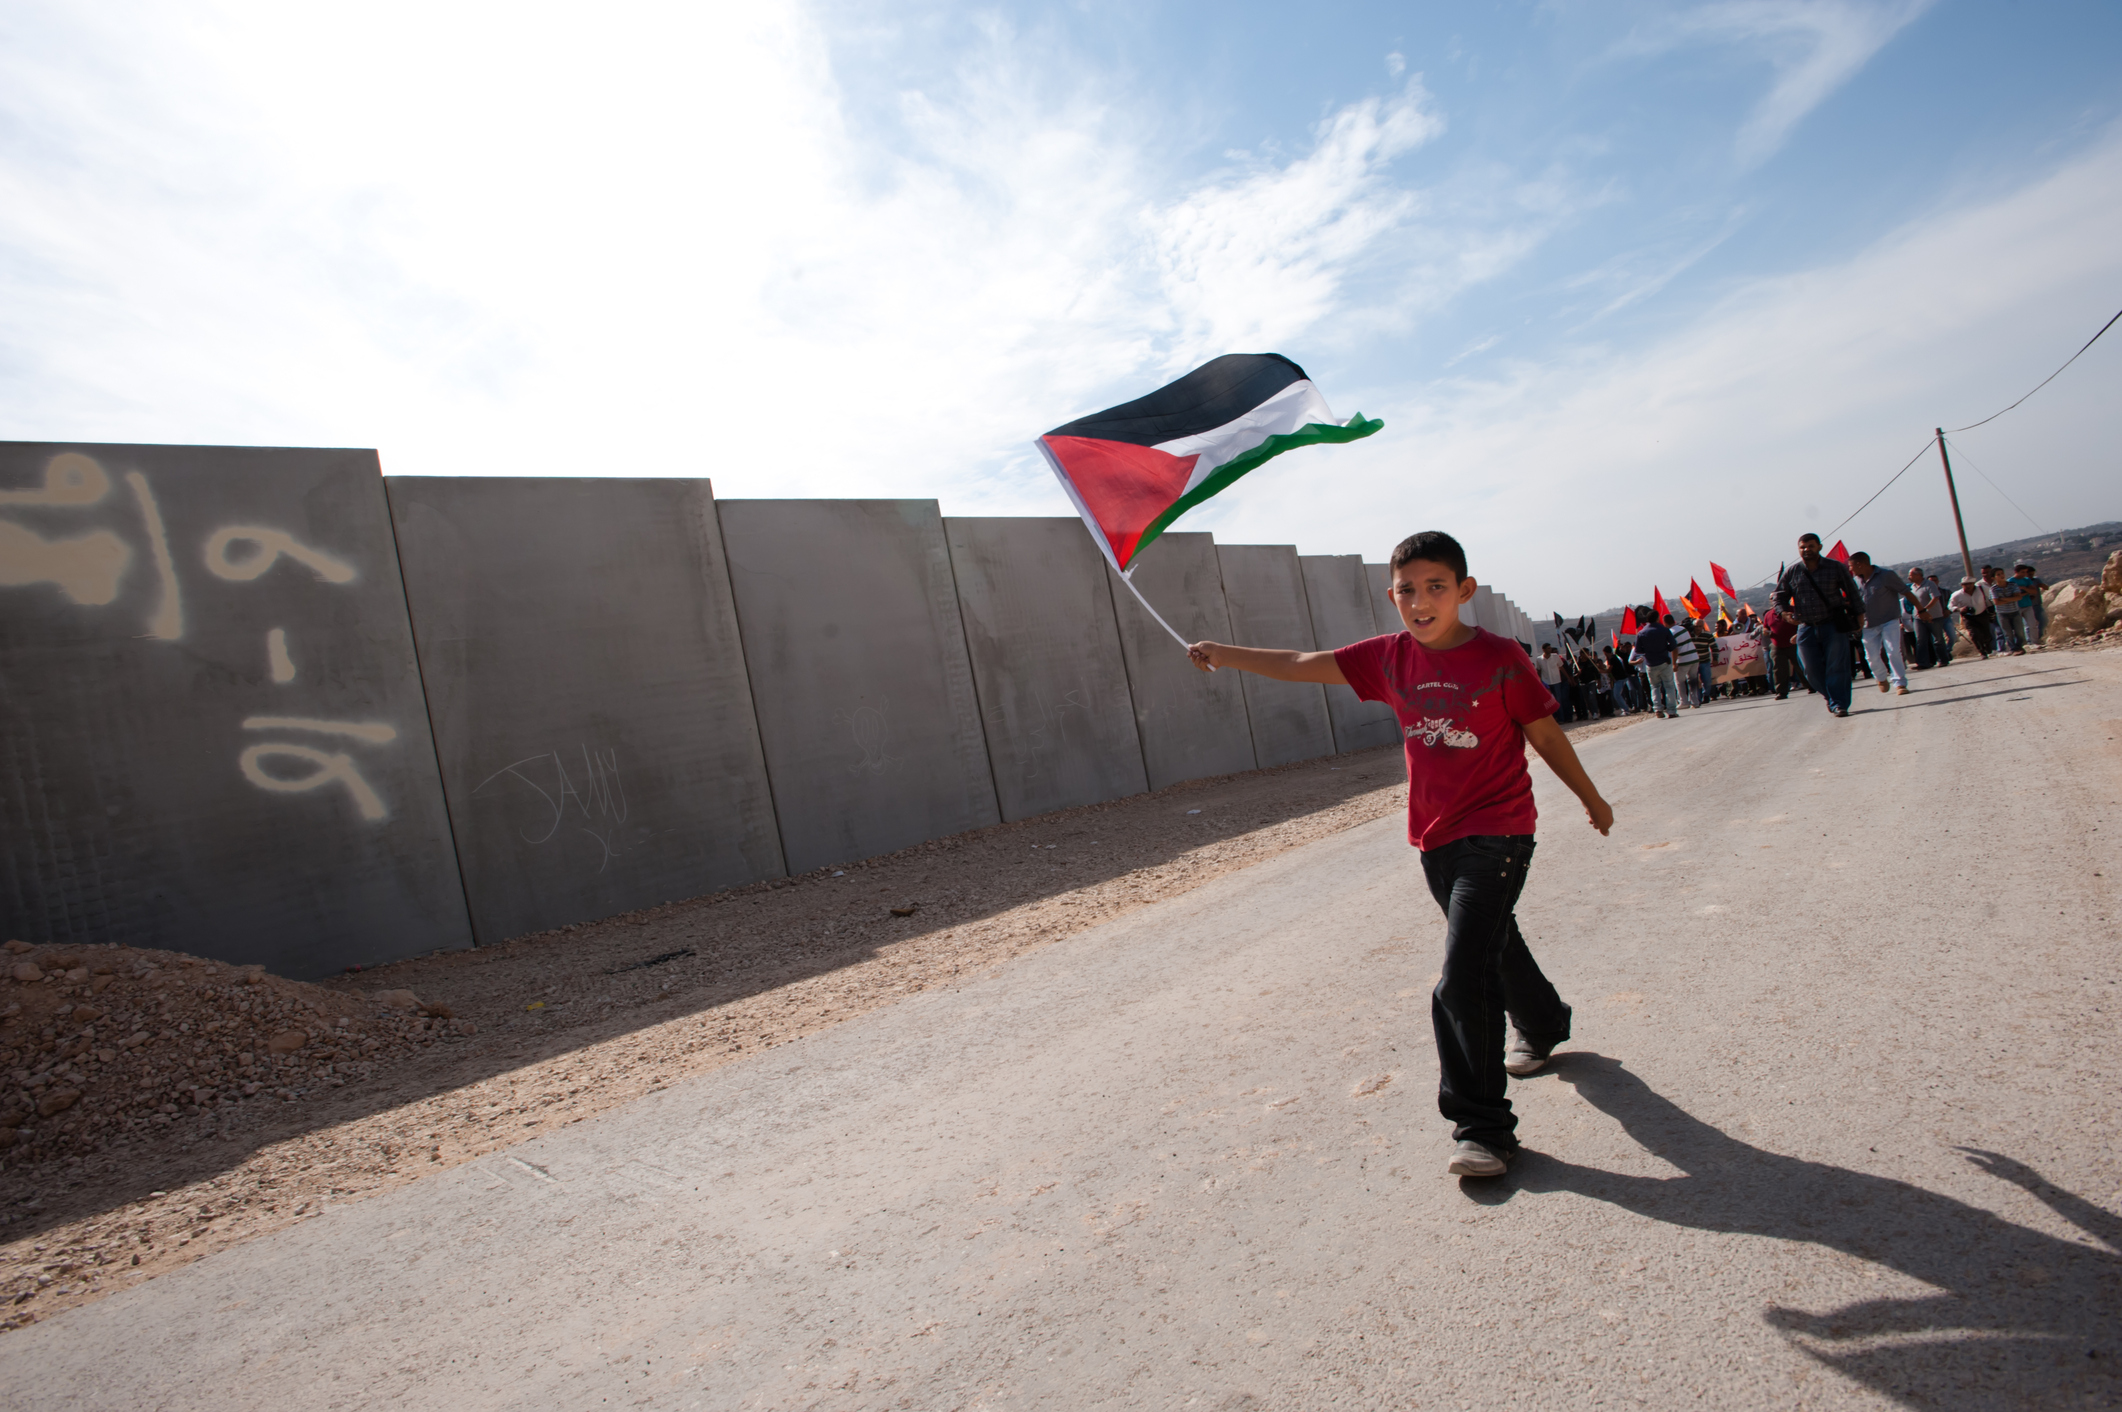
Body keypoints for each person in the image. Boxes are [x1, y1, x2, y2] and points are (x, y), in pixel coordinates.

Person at [1187, 530, 1613, 1179]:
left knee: (1463, 973)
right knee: (1494, 941)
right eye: (1407, 589)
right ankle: (1545, 1019)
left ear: (1464, 591)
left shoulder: (1499, 658)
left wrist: (1590, 797)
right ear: (1392, 595)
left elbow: (1545, 733)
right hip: (1435, 842)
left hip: (1500, 835)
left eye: (1435, 586)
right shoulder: (1389, 659)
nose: (1420, 600)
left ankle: (1483, 1128)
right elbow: (1304, 662)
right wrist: (1227, 653)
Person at [1774, 532, 1864, 717]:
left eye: (1811, 546)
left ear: (1819, 547)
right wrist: (1784, 613)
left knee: (1837, 666)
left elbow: (1852, 592)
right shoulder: (1792, 572)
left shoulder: (1835, 568)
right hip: (1806, 626)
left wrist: (1860, 616)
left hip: (1833, 625)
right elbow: (1779, 595)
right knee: (1810, 670)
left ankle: (1839, 703)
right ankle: (1830, 696)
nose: (1807, 550)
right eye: (1803, 547)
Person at [1848, 551, 1918, 696]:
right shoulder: (1855, 581)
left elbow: (1906, 592)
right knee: (1871, 657)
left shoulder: (1886, 575)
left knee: (1893, 651)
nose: (1851, 569)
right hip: (1868, 625)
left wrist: (1922, 610)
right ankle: (1880, 678)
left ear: (1860, 564)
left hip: (1889, 620)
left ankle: (1900, 683)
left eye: (1851, 566)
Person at [1633, 610, 1682, 718]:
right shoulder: (1664, 630)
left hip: (1650, 664)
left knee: (1654, 687)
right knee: (1669, 686)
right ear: (1657, 618)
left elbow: (1638, 650)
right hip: (1664, 661)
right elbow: (1673, 645)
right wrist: (1665, 648)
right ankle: (1671, 711)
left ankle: (1658, 709)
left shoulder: (1641, 633)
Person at [1906, 567, 1951, 670]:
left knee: (1938, 639)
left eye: (1911, 575)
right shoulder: (1912, 587)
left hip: (1934, 616)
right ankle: (1923, 662)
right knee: (1920, 640)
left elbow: (1935, 597)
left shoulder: (1930, 584)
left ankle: (1943, 659)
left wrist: (1925, 610)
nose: (1909, 577)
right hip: (1918, 617)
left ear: (1918, 575)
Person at [1762, 603, 1803, 699]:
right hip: (1777, 645)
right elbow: (1765, 628)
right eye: (1772, 599)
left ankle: (1810, 686)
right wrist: (1766, 632)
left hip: (1793, 643)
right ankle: (1781, 692)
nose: (1774, 601)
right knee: (1779, 669)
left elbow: (1802, 623)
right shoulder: (1768, 614)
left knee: (1800, 666)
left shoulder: (1793, 609)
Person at [1948, 574, 1994, 658]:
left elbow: (1991, 597)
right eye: (1965, 584)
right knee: (1974, 634)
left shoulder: (1982, 589)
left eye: (1970, 583)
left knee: (1986, 634)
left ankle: (1988, 647)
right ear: (1962, 585)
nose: (1968, 586)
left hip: (1982, 614)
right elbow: (1950, 605)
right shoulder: (1957, 594)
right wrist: (1959, 609)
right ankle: (1982, 652)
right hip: (1969, 617)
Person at [1983, 567, 2026, 655]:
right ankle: (2014, 649)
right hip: (2002, 613)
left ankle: (2019, 647)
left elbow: (2018, 597)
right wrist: (2011, 598)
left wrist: (2004, 599)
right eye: (1998, 575)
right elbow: (1996, 602)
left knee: (2019, 632)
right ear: (1993, 577)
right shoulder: (1993, 589)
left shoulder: (2012, 585)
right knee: (2008, 633)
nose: (2001, 576)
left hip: (2015, 611)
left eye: (2002, 573)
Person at [1667, 613, 1701, 707]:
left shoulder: (1671, 633)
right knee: (1693, 681)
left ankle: (1684, 701)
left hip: (1683, 659)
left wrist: (1674, 663)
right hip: (1694, 657)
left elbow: (1675, 649)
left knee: (1679, 681)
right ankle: (1695, 701)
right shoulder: (1683, 629)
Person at [2008, 562, 2046, 643]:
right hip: (2016, 606)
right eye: (2023, 572)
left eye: (2025, 572)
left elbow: (2034, 591)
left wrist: (2023, 588)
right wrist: (2026, 592)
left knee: (2033, 624)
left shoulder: (2027, 580)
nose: (2025, 574)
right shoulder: (2010, 581)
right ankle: (2021, 643)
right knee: (2018, 627)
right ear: (2016, 572)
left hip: (2028, 605)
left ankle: (2035, 642)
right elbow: (2013, 595)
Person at [1536, 643, 1571, 720]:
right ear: (1544, 649)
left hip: (1556, 681)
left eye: (1550, 648)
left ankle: (1562, 718)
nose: (1550, 649)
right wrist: (1539, 681)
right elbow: (1539, 670)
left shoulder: (1555, 657)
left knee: (1558, 700)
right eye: (1548, 648)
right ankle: (1555, 718)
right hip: (1547, 683)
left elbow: (1561, 667)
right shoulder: (1539, 659)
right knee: (1550, 701)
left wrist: (1567, 677)